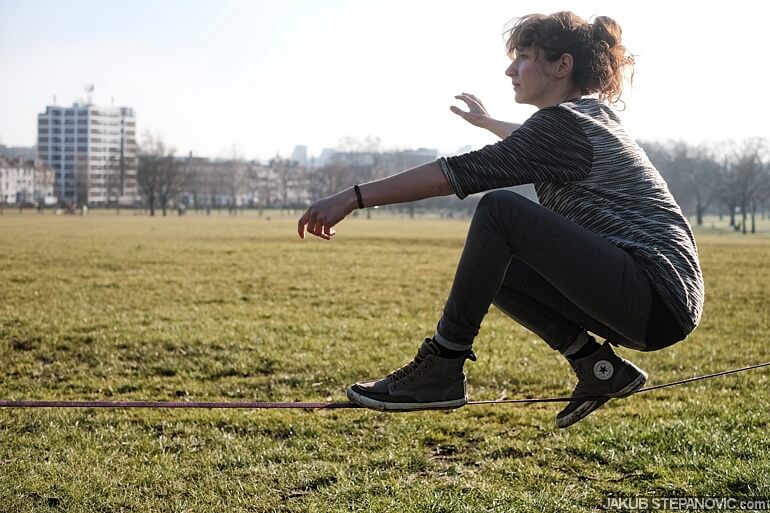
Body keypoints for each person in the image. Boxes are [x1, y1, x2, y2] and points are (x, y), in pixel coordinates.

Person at [297, 11, 704, 428]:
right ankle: (599, 367)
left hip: (655, 291)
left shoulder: (561, 127)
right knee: (498, 263)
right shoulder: (589, 118)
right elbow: (531, 140)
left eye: (524, 56)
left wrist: (353, 196)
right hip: (660, 303)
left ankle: (443, 363)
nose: (511, 69)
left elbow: (453, 173)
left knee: (499, 212)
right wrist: (488, 122)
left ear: (562, 66)